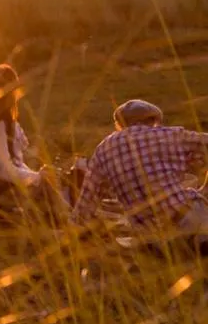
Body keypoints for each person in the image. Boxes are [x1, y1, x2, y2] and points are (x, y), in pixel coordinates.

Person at [70, 99, 208, 236]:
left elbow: (86, 204)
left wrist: (73, 227)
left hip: (149, 236)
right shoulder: (170, 135)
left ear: (119, 125)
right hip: (189, 217)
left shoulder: (103, 149)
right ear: (154, 120)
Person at [0, 63, 68, 218]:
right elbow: (3, 170)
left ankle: (66, 215)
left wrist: (38, 175)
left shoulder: (1, 122)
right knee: (42, 186)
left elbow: (17, 161)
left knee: (44, 183)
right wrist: (38, 177)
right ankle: (69, 217)